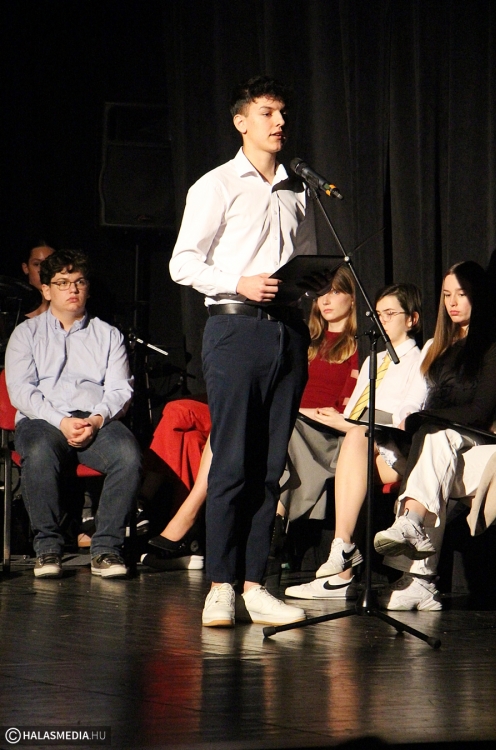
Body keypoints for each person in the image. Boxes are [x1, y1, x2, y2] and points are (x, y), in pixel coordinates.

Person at [169, 74, 317, 627]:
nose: (279, 122)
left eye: (283, 113)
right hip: (235, 329)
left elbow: (301, 259)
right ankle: (219, 585)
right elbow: (183, 263)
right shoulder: (216, 185)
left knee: (271, 465)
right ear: (241, 122)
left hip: (286, 332)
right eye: (267, 113)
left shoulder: (297, 189)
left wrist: (308, 285)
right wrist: (238, 282)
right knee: (232, 460)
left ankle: (256, 584)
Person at [142, 265, 359, 571]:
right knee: (182, 413)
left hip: (310, 424)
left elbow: (348, 407)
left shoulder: (355, 346)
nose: (325, 299)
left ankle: (186, 519)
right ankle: (144, 504)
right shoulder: (300, 337)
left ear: (352, 299)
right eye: (322, 292)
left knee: (229, 432)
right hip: (270, 405)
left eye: (335, 292)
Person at [5, 249, 142, 579]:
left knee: (128, 455)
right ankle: (47, 548)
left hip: (94, 419)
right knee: (39, 451)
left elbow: (120, 389)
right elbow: (21, 391)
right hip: (43, 419)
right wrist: (61, 421)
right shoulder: (26, 333)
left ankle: (106, 548)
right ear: (46, 290)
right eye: (63, 283)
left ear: (88, 288)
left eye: (79, 282)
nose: (73, 289)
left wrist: (96, 419)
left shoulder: (108, 335)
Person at [284, 283, 425, 600]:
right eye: (378, 315)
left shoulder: (420, 360)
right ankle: (341, 570)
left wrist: (351, 423)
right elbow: (353, 414)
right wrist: (341, 420)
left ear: (412, 319)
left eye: (390, 314)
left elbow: (409, 415)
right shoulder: (373, 360)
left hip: (399, 449)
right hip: (362, 441)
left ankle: (343, 553)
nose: (382, 321)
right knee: (325, 435)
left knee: (358, 434)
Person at [373, 261, 496, 610]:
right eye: (446, 295)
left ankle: (412, 531)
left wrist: (427, 420)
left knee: (436, 438)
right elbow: (416, 401)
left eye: (462, 294)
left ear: (480, 296)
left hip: (479, 442)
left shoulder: (493, 345)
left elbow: (480, 412)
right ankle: (420, 580)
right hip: (441, 446)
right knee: (433, 450)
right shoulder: (438, 347)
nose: (453, 303)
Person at [22, 241, 55, 318]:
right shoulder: (15, 313)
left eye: (50, 264)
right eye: (36, 264)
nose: (43, 270)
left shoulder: (68, 313)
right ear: (26, 268)